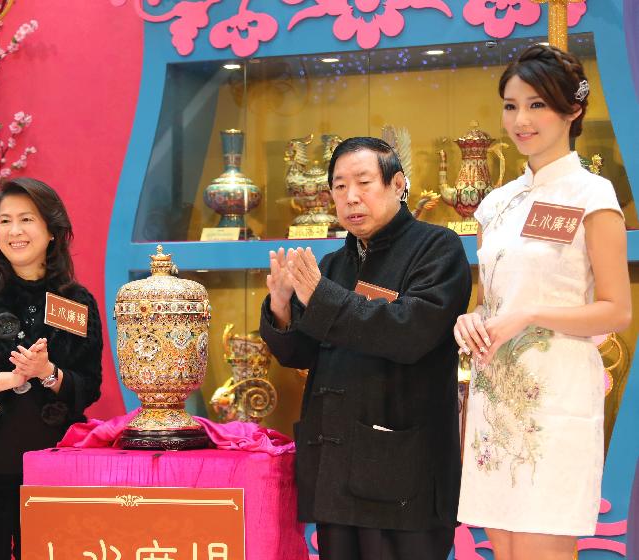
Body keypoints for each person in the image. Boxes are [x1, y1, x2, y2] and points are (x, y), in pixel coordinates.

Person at [455, 44, 630, 560]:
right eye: (511, 105)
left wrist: (532, 315)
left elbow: (617, 309)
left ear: (572, 111)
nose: (520, 119)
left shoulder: (592, 195)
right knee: (503, 546)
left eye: (537, 105)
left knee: (540, 547)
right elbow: (492, 300)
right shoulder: (496, 203)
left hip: (555, 400)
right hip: (495, 393)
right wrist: (471, 319)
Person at [260, 137, 471, 560]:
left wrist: (321, 298)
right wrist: (282, 304)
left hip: (403, 472)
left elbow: (409, 332)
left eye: (363, 182)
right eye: (339, 187)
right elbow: (300, 354)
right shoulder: (333, 264)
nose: (351, 198)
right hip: (336, 469)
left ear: (398, 184)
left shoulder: (437, 248)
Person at [0, 177, 103, 560]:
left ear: (52, 231)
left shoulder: (77, 301)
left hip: (53, 466)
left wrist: (48, 372)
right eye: (4, 221)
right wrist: (10, 379)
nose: (15, 231)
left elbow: (89, 385)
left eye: (26, 219)